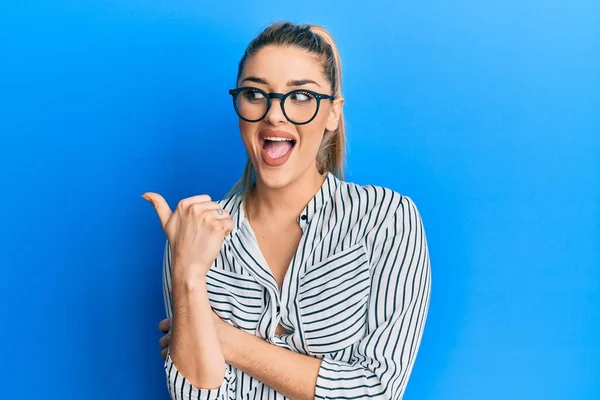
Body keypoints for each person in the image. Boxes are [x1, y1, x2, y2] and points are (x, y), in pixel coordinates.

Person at [143, 21, 431, 400]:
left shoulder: (387, 219)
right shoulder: (196, 234)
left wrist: (226, 341)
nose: (274, 115)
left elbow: (375, 391)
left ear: (332, 113)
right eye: (255, 93)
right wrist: (188, 278)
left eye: (300, 96)